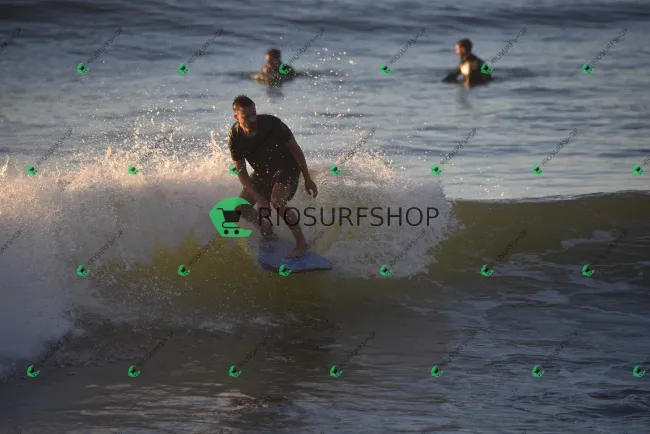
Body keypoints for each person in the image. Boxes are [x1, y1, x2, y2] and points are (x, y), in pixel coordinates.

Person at [228, 95, 318, 258]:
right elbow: (241, 172)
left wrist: (307, 178)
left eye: (254, 113)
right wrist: (259, 198)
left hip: (287, 167)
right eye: (246, 116)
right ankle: (267, 230)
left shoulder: (272, 124)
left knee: (277, 201)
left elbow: (295, 149)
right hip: (263, 172)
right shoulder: (235, 137)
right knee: (241, 208)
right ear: (236, 117)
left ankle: (302, 244)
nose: (252, 119)